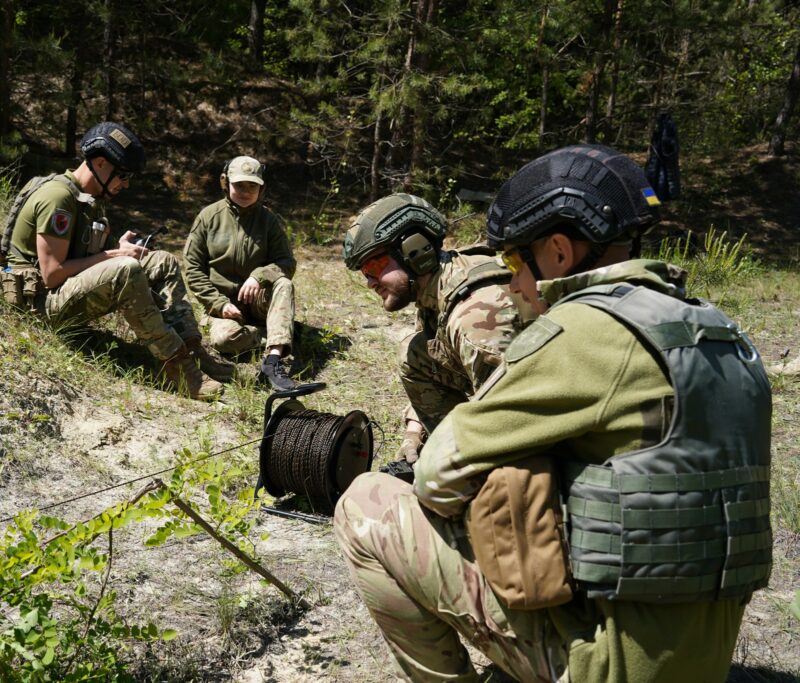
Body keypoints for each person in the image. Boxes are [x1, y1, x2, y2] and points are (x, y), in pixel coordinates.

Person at [334, 144, 772, 682]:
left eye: (514, 264)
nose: (512, 285)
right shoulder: (721, 333)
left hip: (603, 665)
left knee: (364, 503)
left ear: (559, 252)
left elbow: (437, 477)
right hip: (700, 662)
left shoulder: (581, 335)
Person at [3, 121, 233, 401]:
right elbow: (51, 274)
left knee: (163, 261)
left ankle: (193, 350)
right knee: (126, 268)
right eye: (122, 175)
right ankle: (176, 365)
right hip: (39, 304)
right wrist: (114, 255)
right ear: (100, 163)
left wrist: (118, 247)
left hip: (63, 291)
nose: (125, 184)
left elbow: (84, 256)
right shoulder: (58, 197)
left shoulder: (89, 199)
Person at [342, 194, 521, 474]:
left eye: (375, 267)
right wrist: (414, 434)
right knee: (414, 351)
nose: (370, 283)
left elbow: (516, 421)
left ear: (414, 250)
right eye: (365, 272)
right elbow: (430, 362)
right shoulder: (435, 288)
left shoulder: (475, 318)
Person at [183, 155, 298, 391]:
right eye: (239, 185)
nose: (246, 192)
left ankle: (273, 361)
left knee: (284, 284)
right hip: (222, 306)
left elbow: (286, 262)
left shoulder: (269, 221)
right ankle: (278, 332)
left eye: (252, 186)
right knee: (224, 340)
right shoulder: (208, 217)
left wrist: (259, 276)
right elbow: (192, 268)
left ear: (261, 189)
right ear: (225, 183)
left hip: (258, 300)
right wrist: (219, 303)